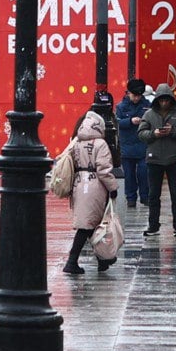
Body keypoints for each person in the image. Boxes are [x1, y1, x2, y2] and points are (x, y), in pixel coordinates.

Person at [62, 111, 118, 274]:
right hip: (95, 186)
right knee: (87, 225)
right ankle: (72, 262)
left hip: (80, 184)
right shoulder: (100, 144)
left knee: (90, 224)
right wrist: (113, 187)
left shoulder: (76, 142)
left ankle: (103, 260)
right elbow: (104, 170)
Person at [139, 84, 176, 237]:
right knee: (153, 194)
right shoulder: (149, 114)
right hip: (154, 159)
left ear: (171, 100)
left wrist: (172, 131)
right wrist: (153, 134)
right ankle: (153, 225)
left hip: (174, 158)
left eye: (167, 100)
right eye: (161, 100)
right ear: (157, 100)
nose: (164, 103)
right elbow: (141, 133)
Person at [116, 78, 150, 208]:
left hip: (142, 144)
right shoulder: (121, 107)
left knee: (143, 172)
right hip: (127, 146)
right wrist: (130, 121)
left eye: (139, 96)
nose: (136, 98)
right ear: (128, 93)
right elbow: (117, 123)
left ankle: (145, 196)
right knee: (129, 174)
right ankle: (130, 198)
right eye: (134, 95)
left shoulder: (147, 105)